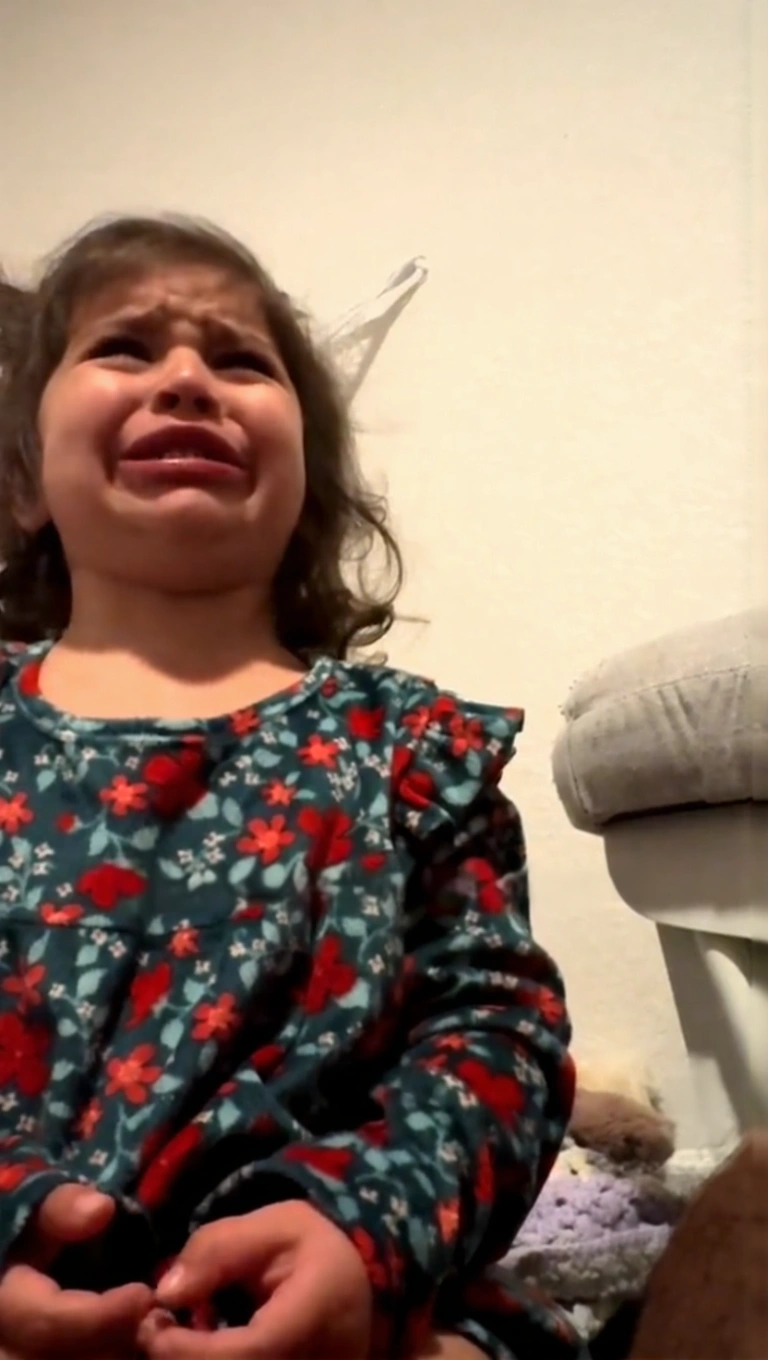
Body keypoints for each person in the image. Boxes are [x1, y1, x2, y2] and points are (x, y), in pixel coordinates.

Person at [0, 215, 581, 1360]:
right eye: (124, 346)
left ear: (308, 486)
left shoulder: (410, 746)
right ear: (24, 479)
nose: (185, 378)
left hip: (347, 1300)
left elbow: (496, 1032)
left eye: (240, 361)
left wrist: (360, 1230)